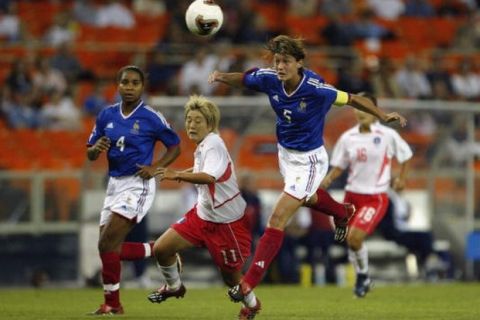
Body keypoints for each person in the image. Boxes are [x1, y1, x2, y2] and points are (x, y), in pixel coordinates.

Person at [208, 35, 407, 304]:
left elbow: (352, 100)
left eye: (286, 62)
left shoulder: (316, 88)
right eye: (277, 61)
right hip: (286, 155)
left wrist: (383, 116)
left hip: (311, 159)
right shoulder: (269, 79)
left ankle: (248, 282)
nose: (279, 66)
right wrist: (220, 75)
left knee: (278, 217)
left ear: (299, 63)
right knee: (310, 198)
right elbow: (244, 79)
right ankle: (342, 211)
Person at [147, 95, 261, 320]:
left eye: (198, 120)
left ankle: (253, 305)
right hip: (202, 216)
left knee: (231, 279)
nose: (191, 124)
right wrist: (181, 173)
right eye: (189, 120)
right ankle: (174, 286)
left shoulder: (214, 144)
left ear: (210, 124)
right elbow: (201, 168)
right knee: (161, 249)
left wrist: (177, 174)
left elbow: (209, 177)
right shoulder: (203, 146)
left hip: (226, 223)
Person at [86, 65, 181, 315]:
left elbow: (175, 146)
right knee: (107, 247)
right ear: (117, 85)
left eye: (134, 83)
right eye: (125, 82)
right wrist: (96, 150)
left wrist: (156, 167)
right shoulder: (106, 115)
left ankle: (113, 303)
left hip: (137, 184)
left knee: (107, 243)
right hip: (114, 183)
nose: (129, 87)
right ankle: (114, 302)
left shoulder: (151, 117)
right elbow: (90, 151)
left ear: (142, 86)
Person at [320, 92, 413, 297]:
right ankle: (364, 277)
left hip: (375, 197)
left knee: (354, 238)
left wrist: (402, 179)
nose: (361, 112)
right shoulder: (348, 138)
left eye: (366, 108)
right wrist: (328, 179)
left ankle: (362, 276)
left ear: (374, 110)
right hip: (351, 196)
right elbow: (339, 165)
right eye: (358, 108)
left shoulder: (387, 136)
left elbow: (405, 156)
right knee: (351, 241)